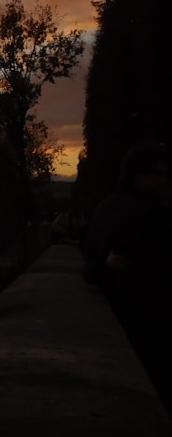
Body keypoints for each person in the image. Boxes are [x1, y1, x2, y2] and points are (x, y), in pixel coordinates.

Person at [84, 142, 170, 407]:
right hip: (148, 313)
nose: (164, 179)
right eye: (159, 172)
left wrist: (105, 265)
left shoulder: (106, 207)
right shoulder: (154, 212)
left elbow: (90, 267)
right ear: (139, 175)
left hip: (118, 311)